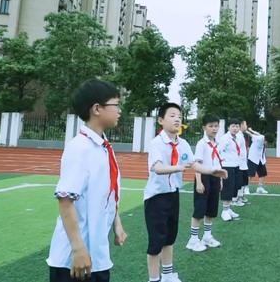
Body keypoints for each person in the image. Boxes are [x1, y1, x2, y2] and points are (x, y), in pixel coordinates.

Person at [47, 79, 127, 282]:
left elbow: (107, 191)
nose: (119, 111)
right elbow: (65, 200)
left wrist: (116, 223)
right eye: (115, 105)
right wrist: (78, 249)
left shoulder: (102, 146)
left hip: (96, 256)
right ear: (97, 109)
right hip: (74, 260)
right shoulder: (80, 148)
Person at [144, 103, 227, 282]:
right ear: (161, 120)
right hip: (156, 198)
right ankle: (154, 279)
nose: (177, 119)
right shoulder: (156, 143)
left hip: (173, 194)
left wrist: (212, 171)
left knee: (170, 238)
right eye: (172, 115)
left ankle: (167, 275)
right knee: (156, 243)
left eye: (179, 117)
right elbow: (157, 168)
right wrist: (179, 167)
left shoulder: (182, 143)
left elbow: (194, 164)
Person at [187, 114, 225, 252]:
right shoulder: (201, 144)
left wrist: (220, 179)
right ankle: (193, 239)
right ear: (204, 127)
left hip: (214, 177)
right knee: (199, 210)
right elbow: (196, 163)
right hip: (203, 177)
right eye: (211, 126)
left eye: (216, 126)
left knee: (211, 210)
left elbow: (218, 162)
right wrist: (198, 182)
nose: (214, 129)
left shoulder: (217, 143)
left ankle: (207, 236)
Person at [245, 127, 269, 194]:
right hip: (253, 158)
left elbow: (257, 133)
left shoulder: (262, 136)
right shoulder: (258, 139)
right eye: (266, 141)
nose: (266, 143)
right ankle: (246, 188)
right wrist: (246, 131)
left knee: (263, 173)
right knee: (250, 174)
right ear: (265, 139)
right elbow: (252, 135)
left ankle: (260, 188)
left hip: (261, 159)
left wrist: (251, 130)